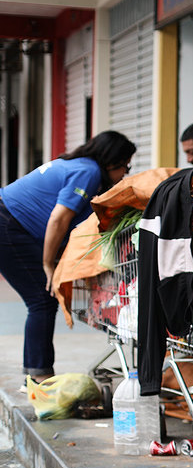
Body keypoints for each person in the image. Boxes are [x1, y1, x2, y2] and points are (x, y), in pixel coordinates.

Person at [0, 131, 136, 382]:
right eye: (125, 167)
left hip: (11, 222)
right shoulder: (89, 172)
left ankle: (35, 373)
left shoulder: (80, 166)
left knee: (42, 299)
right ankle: (40, 377)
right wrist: (47, 264)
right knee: (42, 298)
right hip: (8, 224)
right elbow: (59, 219)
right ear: (111, 162)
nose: (124, 174)